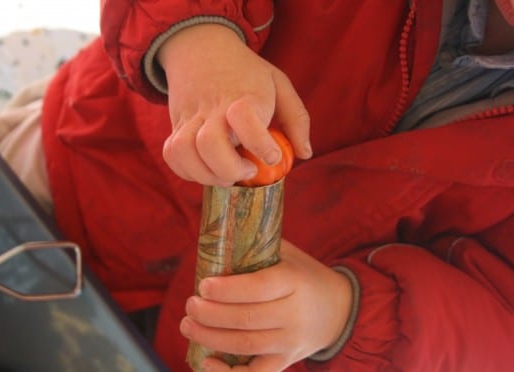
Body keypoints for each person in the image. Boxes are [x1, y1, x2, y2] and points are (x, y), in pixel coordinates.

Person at [39, 0, 514, 370]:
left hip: (262, 345)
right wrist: (197, 38)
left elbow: (497, 325)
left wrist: (346, 312)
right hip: (95, 159)